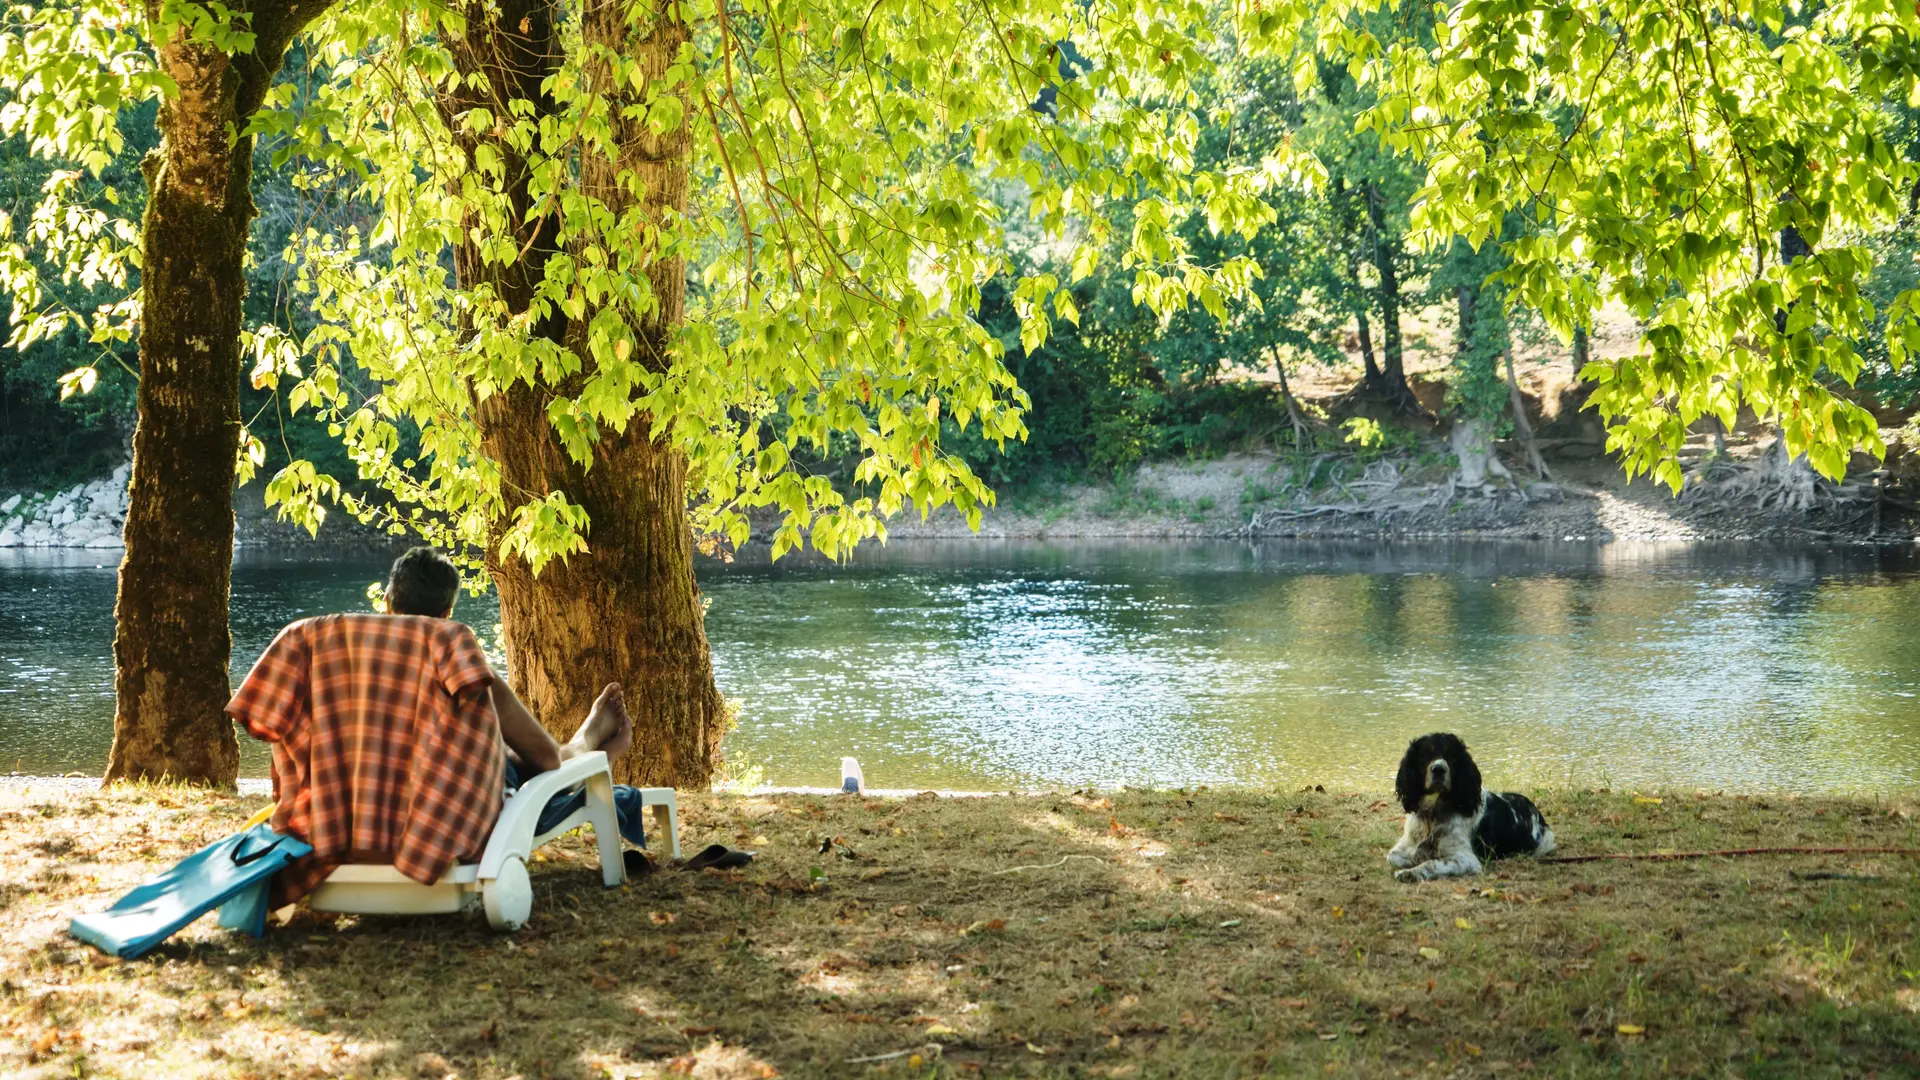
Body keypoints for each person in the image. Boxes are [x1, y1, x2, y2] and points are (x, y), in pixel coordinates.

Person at [381, 546, 651, 850]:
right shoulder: (462, 666)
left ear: (388, 604)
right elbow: (546, 759)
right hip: (455, 818)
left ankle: (583, 744)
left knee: (507, 762)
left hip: (369, 819)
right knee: (540, 762)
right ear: (446, 614)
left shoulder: (341, 665)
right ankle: (587, 746)